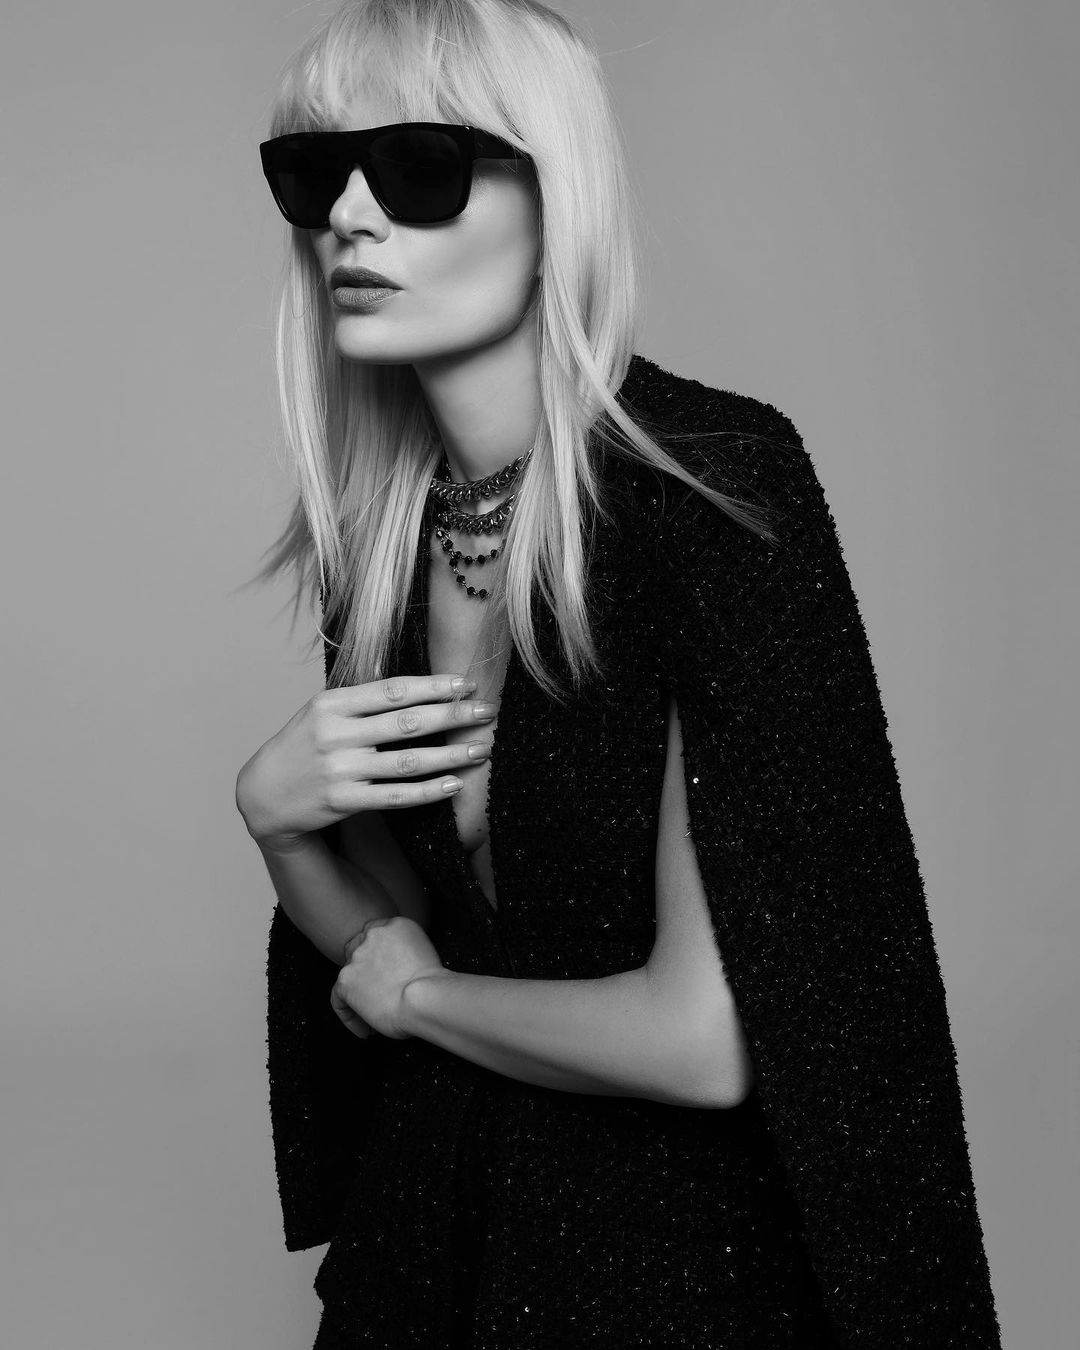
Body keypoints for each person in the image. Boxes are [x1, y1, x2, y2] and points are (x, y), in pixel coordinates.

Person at [235, 1, 1002, 1345]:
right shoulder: (390, 540)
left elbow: (705, 1040)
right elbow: (405, 932)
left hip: (665, 1261)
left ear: (558, 197)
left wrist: (420, 999)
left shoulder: (710, 490)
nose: (349, 215)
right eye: (315, 172)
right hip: (432, 1236)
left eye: (416, 166)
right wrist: (276, 824)